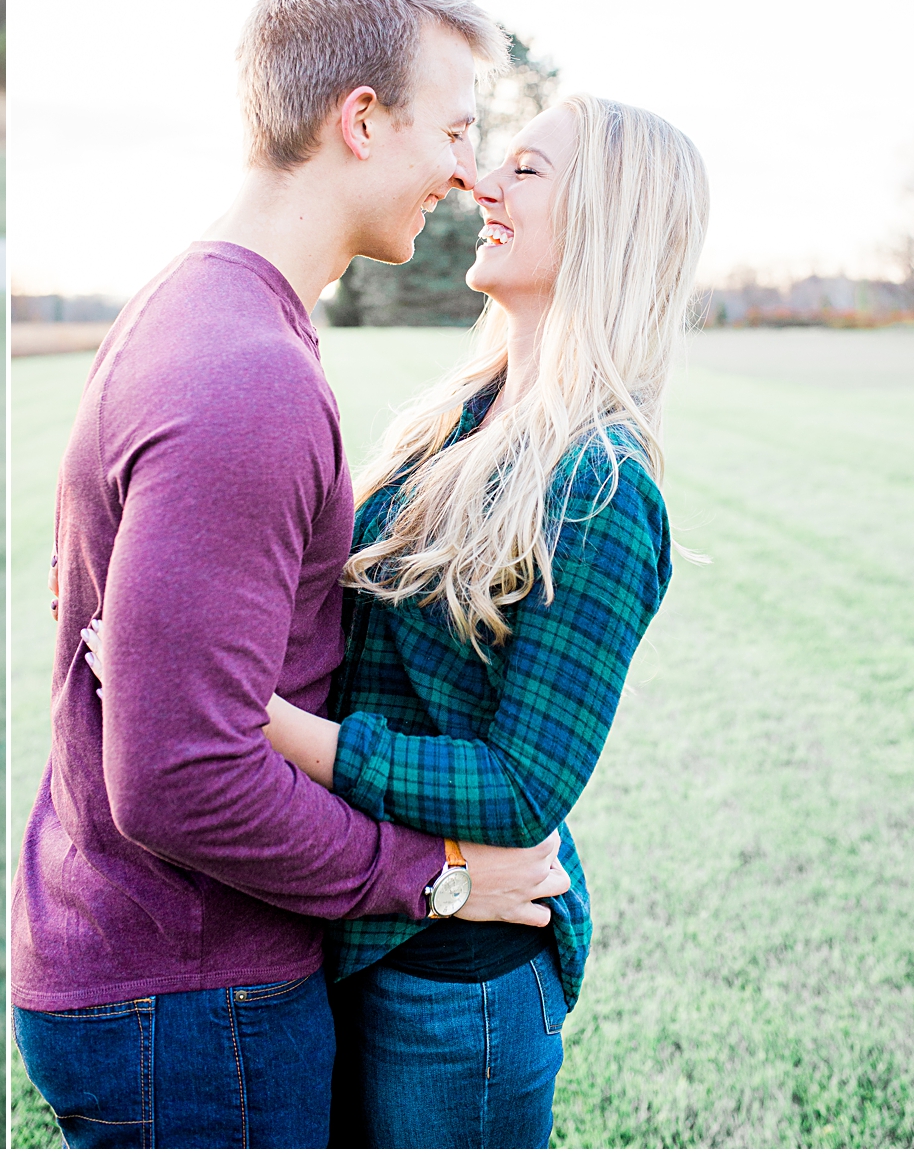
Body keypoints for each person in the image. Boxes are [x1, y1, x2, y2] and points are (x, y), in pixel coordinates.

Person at [12, 0, 571, 1149]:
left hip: (155, 968)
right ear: (359, 121)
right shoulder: (246, 379)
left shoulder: (202, 306)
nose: (468, 171)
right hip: (192, 997)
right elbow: (175, 772)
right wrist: (438, 879)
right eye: (456, 129)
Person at [88, 93, 710, 1147]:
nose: (480, 184)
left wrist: (259, 724)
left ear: (606, 220)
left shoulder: (601, 485)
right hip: (364, 933)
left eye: (525, 170)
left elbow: (521, 785)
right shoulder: (456, 418)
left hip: (455, 993)